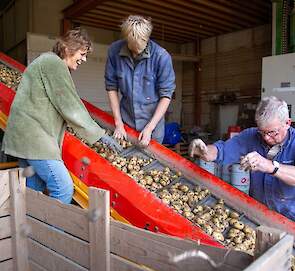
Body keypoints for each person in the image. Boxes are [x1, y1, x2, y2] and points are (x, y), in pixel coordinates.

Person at [2, 28, 122, 204]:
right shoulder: (54, 64)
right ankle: (51, 232)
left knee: (33, 191)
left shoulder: (46, 62)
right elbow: (69, 105)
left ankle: (30, 229)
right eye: (82, 53)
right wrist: (100, 135)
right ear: (68, 49)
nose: (84, 59)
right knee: (63, 188)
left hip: (24, 138)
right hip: (35, 139)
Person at [189, 96, 295, 221]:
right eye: (262, 132)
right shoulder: (251, 136)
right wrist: (205, 151)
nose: (266, 138)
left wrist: (270, 166)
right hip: (259, 216)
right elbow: (221, 150)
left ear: (287, 123)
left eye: (272, 132)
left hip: (290, 219)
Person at [105, 15, 176, 146]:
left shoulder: (162, 57)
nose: (135, 53)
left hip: (153, 126)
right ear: (126, 39)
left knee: (152, 163)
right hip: (126, 122)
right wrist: (118, 122)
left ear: (147, 39)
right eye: (132, 48)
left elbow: (166, 95)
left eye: (139, 49)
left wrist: (150, 128)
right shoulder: (114, 51)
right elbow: (111, 87)